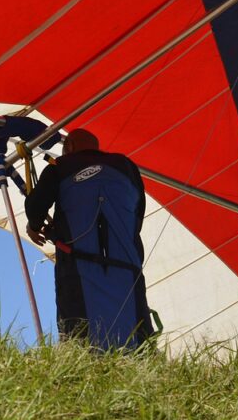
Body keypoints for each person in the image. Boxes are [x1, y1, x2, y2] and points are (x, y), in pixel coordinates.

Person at [24, 129, 154, 349]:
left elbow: (36, 207)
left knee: (81, 334)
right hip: (126, 266)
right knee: (135, 332)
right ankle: (141, 357)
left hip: (79, 266)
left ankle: (84, 361)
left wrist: (34, 226)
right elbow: (137, 214)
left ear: (70, 146)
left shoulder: (60, 166)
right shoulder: (126, 166)